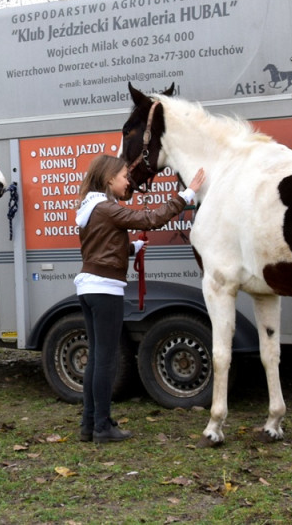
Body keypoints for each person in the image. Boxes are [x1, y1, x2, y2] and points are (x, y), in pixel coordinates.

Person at [74, 155, 205, 444]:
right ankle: (103, 427)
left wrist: (132, 247)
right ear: (109, 179)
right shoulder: (107, 207)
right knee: (105, 361)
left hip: (89, 288)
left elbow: (101, 247)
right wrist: (187, 194)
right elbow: (150, 218)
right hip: (105, 289)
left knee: (96, 358)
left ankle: (90, 425)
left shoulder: (90, 208)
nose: (127, 181)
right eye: (123, 176)